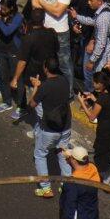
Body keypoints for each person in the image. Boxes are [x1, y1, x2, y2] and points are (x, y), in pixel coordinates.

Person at [29, 56, 72, 198]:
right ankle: (67, 185)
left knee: (40, 155)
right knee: (62, 152)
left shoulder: (45, 86)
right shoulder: (65, 81)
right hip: (65, 127)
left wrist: (36, 87)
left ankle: (46, 188)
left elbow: (32, 104)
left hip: (49, 129)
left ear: (45, 68)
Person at [58, 146, 101, 219]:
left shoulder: (73, 183)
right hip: (92, 213)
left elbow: (70, 203)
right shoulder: (92, 169)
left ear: (73, 160)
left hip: (80, 218)